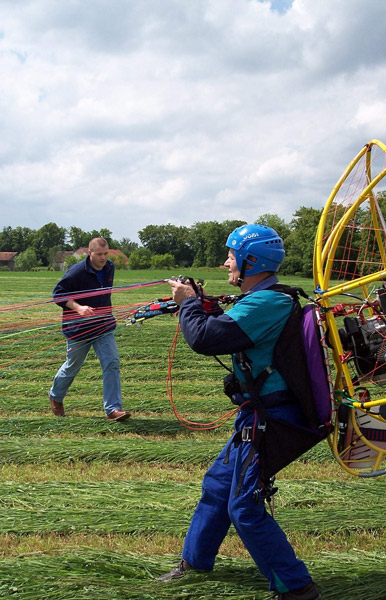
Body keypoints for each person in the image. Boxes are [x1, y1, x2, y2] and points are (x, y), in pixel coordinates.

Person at [157, 224, 322, 600]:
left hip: (273, 418)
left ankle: (297, 588)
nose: (225, 263)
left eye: (231, 256)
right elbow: (224, 327)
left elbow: (206, 338)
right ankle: (194, 563)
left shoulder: (269, 303)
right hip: (257, 415)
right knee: (217, 487)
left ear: (252, 261)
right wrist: (200, 304)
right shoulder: (261, 299)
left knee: (244, 505)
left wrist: (189, 303)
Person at [49, 237, 130, 421]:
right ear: (89, 253)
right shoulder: (77, 271)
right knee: (72, 366)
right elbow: (58, 294)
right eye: (99, 254)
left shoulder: (109, 267)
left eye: (106, 254)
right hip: (79, 328)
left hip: (103, 325)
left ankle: (113, 409)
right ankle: (55, 396)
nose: (103, 258)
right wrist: (79, 308)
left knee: (112, 362)